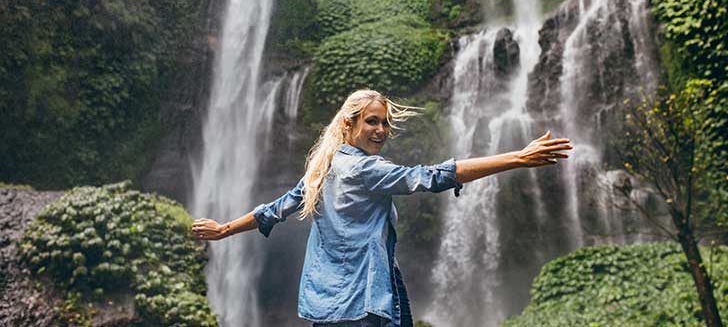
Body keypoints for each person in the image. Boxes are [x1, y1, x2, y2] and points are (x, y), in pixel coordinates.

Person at [192, 89, 572, 327]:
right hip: (362, 302)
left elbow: (273, 210)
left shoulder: (322, 169)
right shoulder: (364, 168)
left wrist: (223, 229)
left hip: (328, 304)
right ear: (348, 123)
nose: (381, 130)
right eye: (372, 121)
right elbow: (432, 176)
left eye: (386, 124)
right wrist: (518, 159)